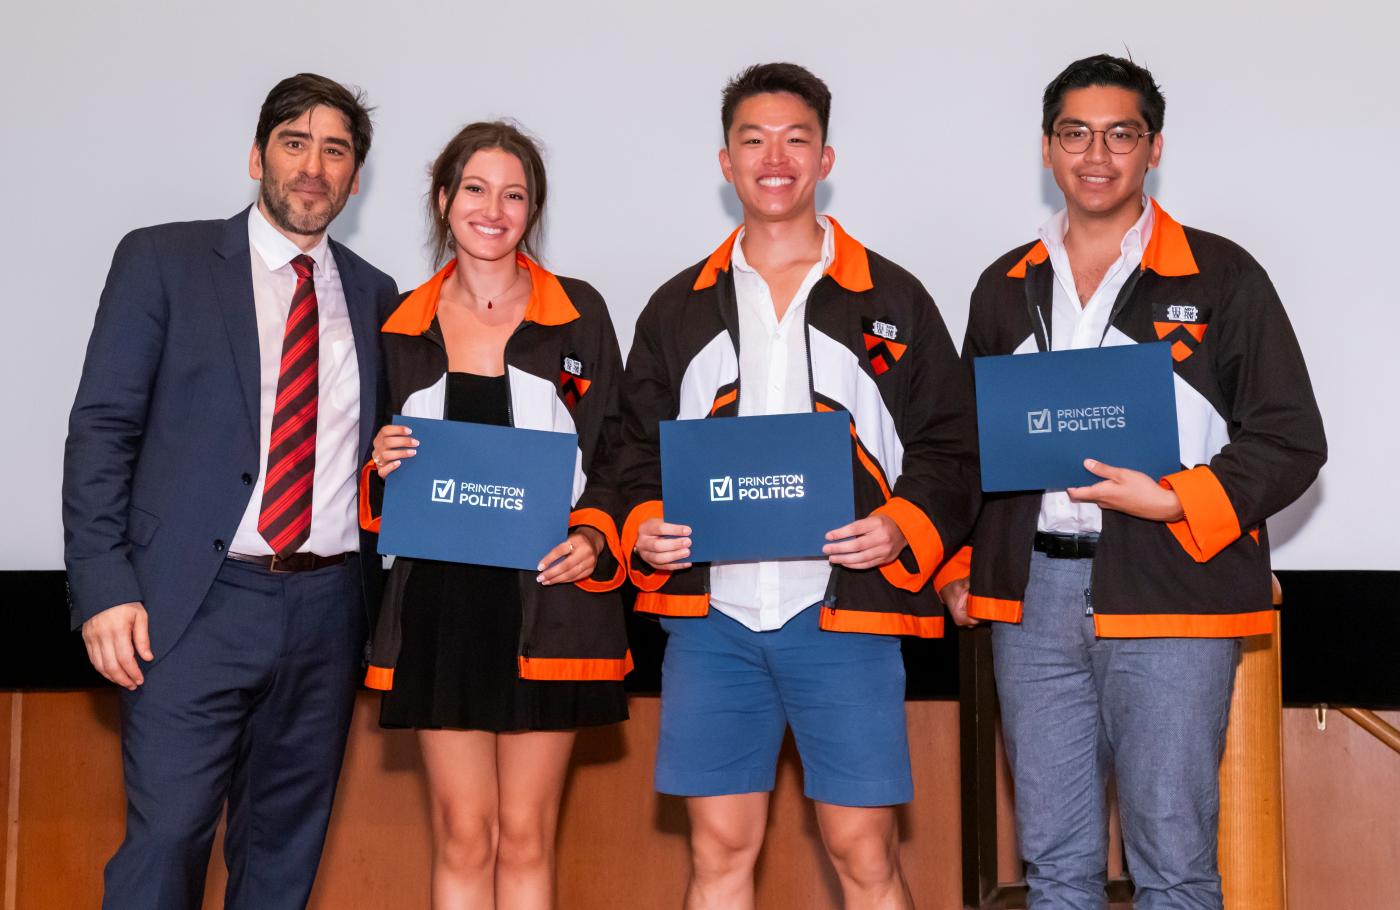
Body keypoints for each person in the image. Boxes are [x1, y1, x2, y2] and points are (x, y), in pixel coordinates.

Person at [940, 54, 1327, 909]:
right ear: (1047, 149)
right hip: (1032, 600)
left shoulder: (1221, 277)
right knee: (1054, 863)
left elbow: (1292, 438)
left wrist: (1175, 498)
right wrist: (960, 556)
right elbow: (971, 446)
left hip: (1171, 588)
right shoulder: (1005, 286)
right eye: (1075, 133)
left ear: (1153, 149)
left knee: (1175, 862)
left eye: (1121, 134)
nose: (1097, 154)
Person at [617, 63, 980, 909]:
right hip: (714, 623)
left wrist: (900, 525)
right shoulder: (677, 308)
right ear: (725, 161)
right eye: (754, 140)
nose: (773, 158)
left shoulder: (893, 298)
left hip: (843, 615)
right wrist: (646, 521)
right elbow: (632, 450)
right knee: (717, 853)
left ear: (824, 158)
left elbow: (951, 446)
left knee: (864, 854)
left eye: (795, 140)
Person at [62, 73, 399, 909]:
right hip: (188, 610)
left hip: (326, 613)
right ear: (257, 156)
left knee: (283, 858)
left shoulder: (377, 296)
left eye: (336, 150)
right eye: (295, 143)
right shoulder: (163, 260)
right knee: (167, 840)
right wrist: (103, 587)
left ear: (355, 178)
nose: (313, 167)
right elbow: (103, 428)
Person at [361, 120, 630, 910]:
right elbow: (362, 475)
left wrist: (594, 534)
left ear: (532, 210)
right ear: (444, 201)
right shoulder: (399, 325)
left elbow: (619, 453)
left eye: (515, 194)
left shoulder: (579, 314)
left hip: (553, 602)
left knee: (525, 836)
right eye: (475, 189)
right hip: (440, 608)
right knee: (464, 833)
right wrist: (377, 466)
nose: (494, 208)